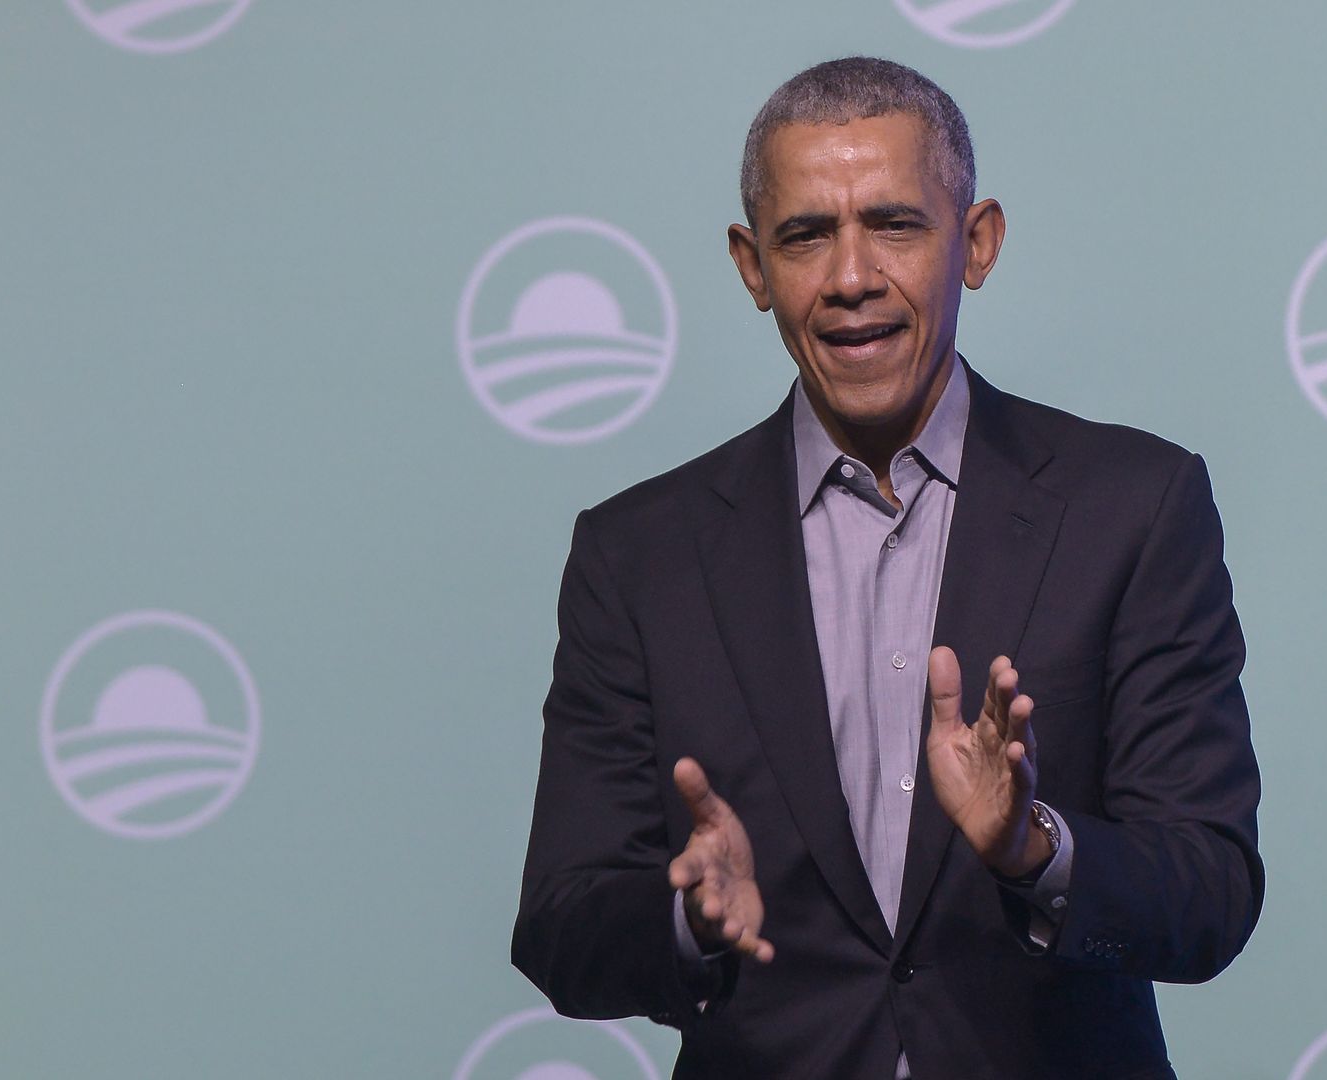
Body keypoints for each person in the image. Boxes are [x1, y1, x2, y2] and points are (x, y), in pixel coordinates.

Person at [510, 57, 1263, 1078]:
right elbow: (561, 925)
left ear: (978, 242)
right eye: (806, 235)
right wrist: (686, 918)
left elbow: (1210, 894)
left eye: (896, 224)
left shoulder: (1134, 507)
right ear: (751, 266)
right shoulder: (638, 555)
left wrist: (1032, 848)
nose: (852, 276)